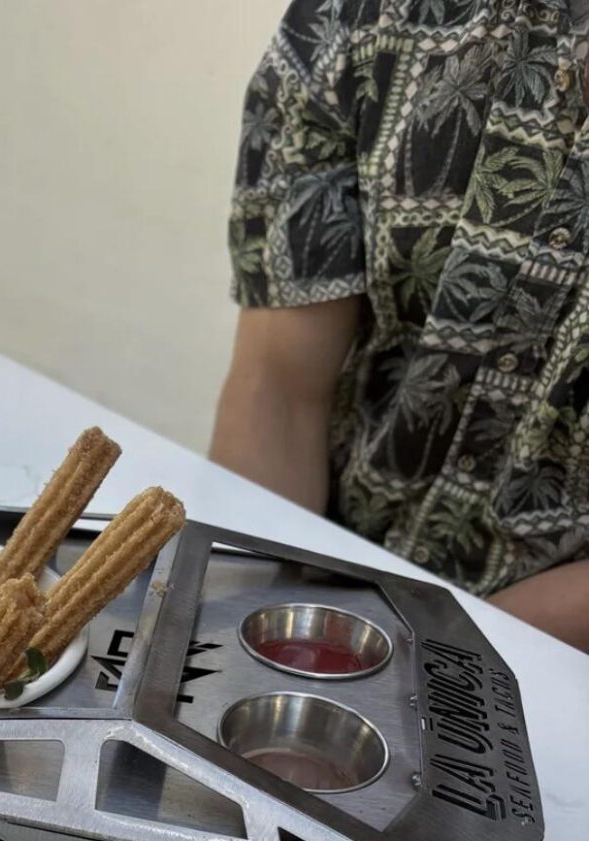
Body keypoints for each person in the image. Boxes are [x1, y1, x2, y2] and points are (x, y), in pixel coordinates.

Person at [210, 0, 589, 651]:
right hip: (327, 582)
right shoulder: (358, 21)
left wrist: (425, 658)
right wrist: (248, 637)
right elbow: (278, 391)